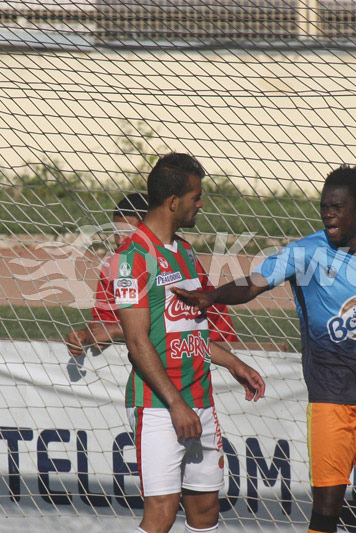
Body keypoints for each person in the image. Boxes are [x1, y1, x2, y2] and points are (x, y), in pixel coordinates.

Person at [172, 165, 356, 533]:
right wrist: (214, 295)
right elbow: (254, 284)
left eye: (337, 207)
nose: (328, 213)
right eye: (324, 206)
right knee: (327, 505)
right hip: (330, 399)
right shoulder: (304, 253)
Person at [115, 153, 266, 533]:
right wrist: (176, 404)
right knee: (161, 515)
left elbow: (192, 331)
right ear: (172, 202)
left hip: (199, 402)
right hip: (161, 408)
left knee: (205, 511)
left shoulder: (184, 252)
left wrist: (234, 363)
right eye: (196, 197)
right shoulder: (130, 258)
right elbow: (136, 342)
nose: (201, 204)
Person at [64, 192, 149, 357]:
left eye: (128, 233)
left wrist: (117, 331)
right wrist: (86, 334)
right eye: (117, 232)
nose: (119, 240)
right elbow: (107, 317)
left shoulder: (177, 256)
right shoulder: (113, 263)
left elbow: (173, 323)